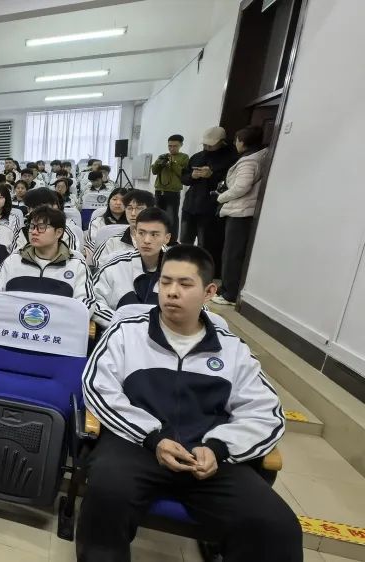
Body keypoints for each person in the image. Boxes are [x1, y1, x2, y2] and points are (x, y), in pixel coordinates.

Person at [78, 244, 299, 562]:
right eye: (165, 282)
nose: (171, 292)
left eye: (184, 284)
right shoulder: (127, 334)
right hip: (137, 447)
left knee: (276, 526)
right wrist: (153, 437)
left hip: (208, 459)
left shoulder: (232, 350)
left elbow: (265, 412)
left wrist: (220, 448)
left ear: (209, 292)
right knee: (106, 495)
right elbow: (98, 388)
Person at [90, 208, 173, 329]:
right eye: (141, 233)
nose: (146, 240)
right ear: (134, 233)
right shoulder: (115, 265)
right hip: (120, 333)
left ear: (167, 238)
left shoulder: (179, 270)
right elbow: (93, 301)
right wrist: (124, 325)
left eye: (154, 234)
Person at [213, 126, 267, 305]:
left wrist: (221, 197)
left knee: (232, 254)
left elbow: (241, 187)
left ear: (242, 141)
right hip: (243, 211)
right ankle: (227, 287)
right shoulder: (261, 156)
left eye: (237, 140)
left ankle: (229, 294)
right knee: (232, 253)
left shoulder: (249, 161)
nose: (235, 143)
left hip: (240, 212)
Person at [0, 205, 89, 303]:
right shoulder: (13, 260)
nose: (34, 232)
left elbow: (86, 303)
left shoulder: (76, 265)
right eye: (32, 227)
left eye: (41, 227)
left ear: (58, 232)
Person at [181, 126, 237, 248]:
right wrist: (192, 176)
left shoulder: (230, 158)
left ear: (221, 142)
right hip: (190, 206)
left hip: (210, 209)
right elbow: (184, 179)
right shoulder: (196, 157)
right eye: (205, 144)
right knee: (185, 242)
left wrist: (212, 176)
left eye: (211, 145)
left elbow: (231, 184)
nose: (207, 147)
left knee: (205, 245)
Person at [91, 189, 155, 269]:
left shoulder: (159, 242)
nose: (133, 213)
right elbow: (98, 267)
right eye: (129, 208)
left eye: (139, 208)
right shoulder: (112, 243)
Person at [151, 134, 189, 239]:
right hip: (159, 190)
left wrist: (173, 163)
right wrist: (160, 163)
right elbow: (154, 171)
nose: (171, 148)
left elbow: (183, 173)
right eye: (170, 146)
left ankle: (172, 240)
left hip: (173, 192)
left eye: (175, 146)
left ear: (181, 145)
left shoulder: (184, 157)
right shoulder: (163, 156)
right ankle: (157, 237)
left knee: (171, 218)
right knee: (158, 217)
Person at [85, 187, 130, 258]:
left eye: (123, 200)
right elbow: (92, 243)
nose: (118, 203)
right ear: (109, 202)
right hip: (101, 257)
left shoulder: (132, 223)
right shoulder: (97, 222)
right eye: (114, 199)